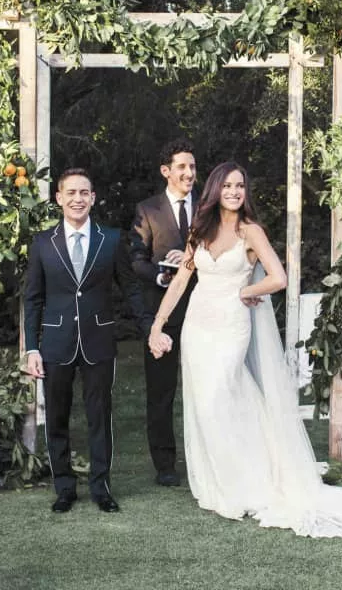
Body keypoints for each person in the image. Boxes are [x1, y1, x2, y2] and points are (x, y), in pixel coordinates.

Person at [148, 161, 342, 537]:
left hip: (231, 326)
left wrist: (246, 291)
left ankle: (252, 481)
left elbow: (278, 277)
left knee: (220, 395)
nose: (234, 191)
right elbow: (182, 279)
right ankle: (222, 481)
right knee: (207, 403)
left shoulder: (251, 231)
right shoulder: (199, 230)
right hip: (197, 327)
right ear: (215, 190)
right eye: (227, 186)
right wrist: (158, 324)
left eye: (240, 186)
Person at [24, 168, 157, 514]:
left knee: (100, 415)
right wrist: (32, 347)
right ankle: (64, 488)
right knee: (57, 417)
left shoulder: (110, 240)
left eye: (84, 192)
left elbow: (130, 287)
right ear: (59, 198)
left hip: (99, 340)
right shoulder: (43, 243)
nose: (77, 199)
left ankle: (101, 488)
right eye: (71, 192)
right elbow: (33, 298)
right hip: (55, 342)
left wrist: (149, 327)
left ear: (93, 198)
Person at [129, 138, 197, 487]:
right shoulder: (148, 209)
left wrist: (193, 261)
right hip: (164, 314)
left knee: (207, 388)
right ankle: (165, 465)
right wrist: (161, 275)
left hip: (204, 310)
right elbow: (135, 259)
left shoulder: (209, 206)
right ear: (166, 171)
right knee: (161, 392)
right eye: (182, 166)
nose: (189, 173)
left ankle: (207, 459)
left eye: (192, 166)